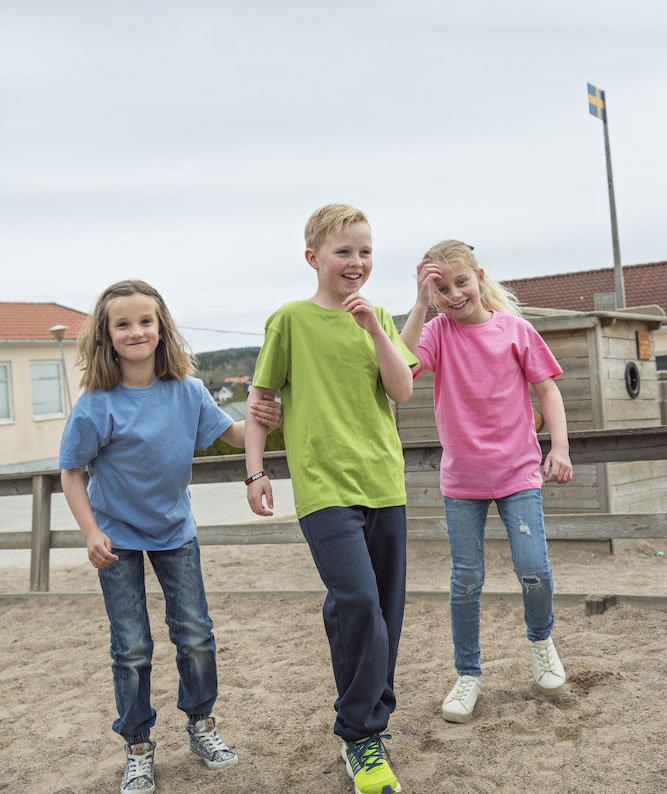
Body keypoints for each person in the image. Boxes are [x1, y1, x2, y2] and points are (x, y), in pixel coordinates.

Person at [59, 279, 281, 794]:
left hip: (175, 534)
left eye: (145, 321)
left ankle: (201, 724)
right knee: (132, 647)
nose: (136, 331)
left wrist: (261, 417)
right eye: (123, 324)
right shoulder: (96, 404)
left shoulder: (188, 391)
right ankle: (138, 745)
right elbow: (72, 472)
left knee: (195, 636)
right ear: (107, 336)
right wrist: (90, 532)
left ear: (161, 329)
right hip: (115, 539)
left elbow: (232, 434)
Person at [244, 204, 418, 794]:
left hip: (383, 482)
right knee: (360, 602)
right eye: (344, 251)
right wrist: (254, 472)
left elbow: (402, 390)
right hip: (323, 488)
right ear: (313, 258)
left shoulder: (381, 319)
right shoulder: (289, 319)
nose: (356, 262)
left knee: (381, 612)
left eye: (365, 251)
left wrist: (374, 330)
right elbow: (261, 399)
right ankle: (362, 735)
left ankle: (366, 719)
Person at [400, 240, 573, 724]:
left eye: (460, 282)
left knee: (533, 569)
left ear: (478, 277)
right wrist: (419, 303)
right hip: (462, 481)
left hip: (518, 473)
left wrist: (557, 447)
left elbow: (548, 390)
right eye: (441, 288)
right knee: (467, 579)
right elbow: (400, 365)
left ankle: (541, 642)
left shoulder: (514, 330)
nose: (454, 295)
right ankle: (468, 674)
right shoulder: (435, 334)